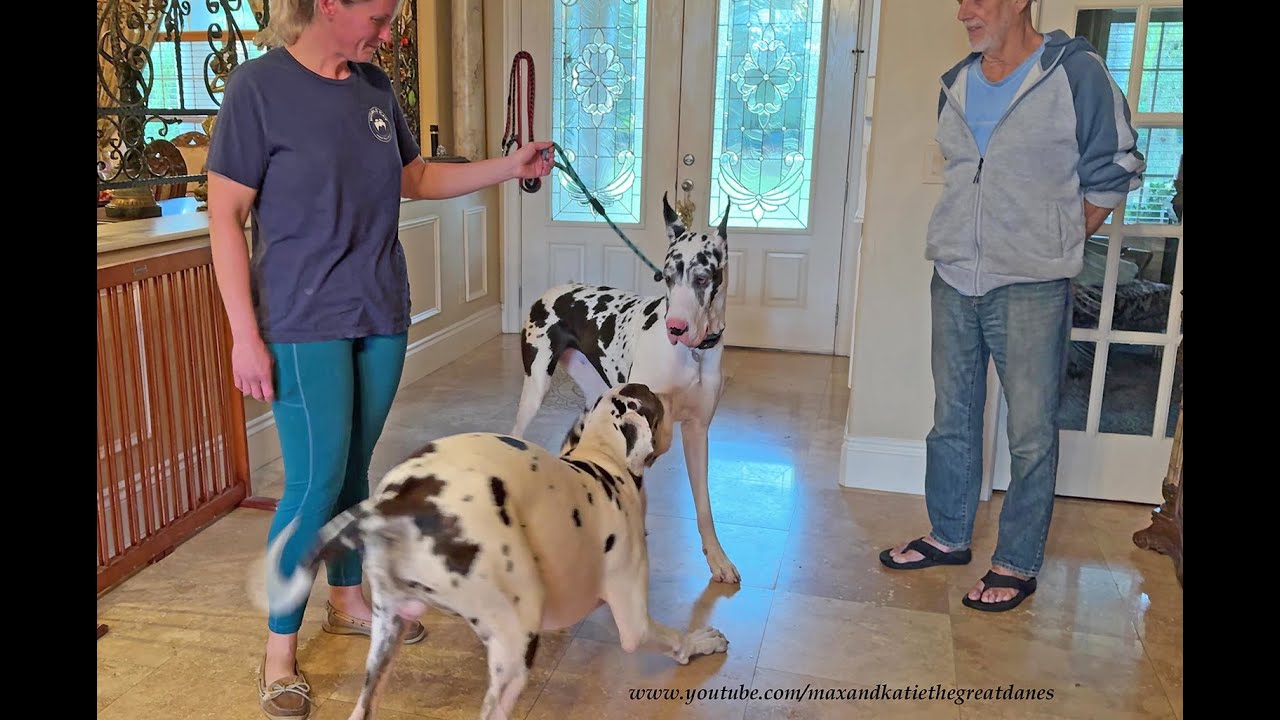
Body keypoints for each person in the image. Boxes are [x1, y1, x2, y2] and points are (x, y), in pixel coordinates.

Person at [204, 1, 553, 716]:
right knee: (312, 482)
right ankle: (278, 654)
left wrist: (506, 165)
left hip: (380, 311)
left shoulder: (374, 89)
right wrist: (244, 333)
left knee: (355, 469)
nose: (390, 33)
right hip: (302, 322)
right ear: (329, 4)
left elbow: (415, 179)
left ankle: (347, 598)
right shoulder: (256, 89)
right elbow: (223, 217)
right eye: (381, 15)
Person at [879, 0, 1145, 613]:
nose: (962, 12)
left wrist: (1058, 241)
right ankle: (947, 534)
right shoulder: (956, 82)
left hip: (1031, 283)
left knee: (1029, 433)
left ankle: (1016, 562)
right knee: (951, 417)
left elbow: (1117, 166)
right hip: (953, 275)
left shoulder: (1075, 72)